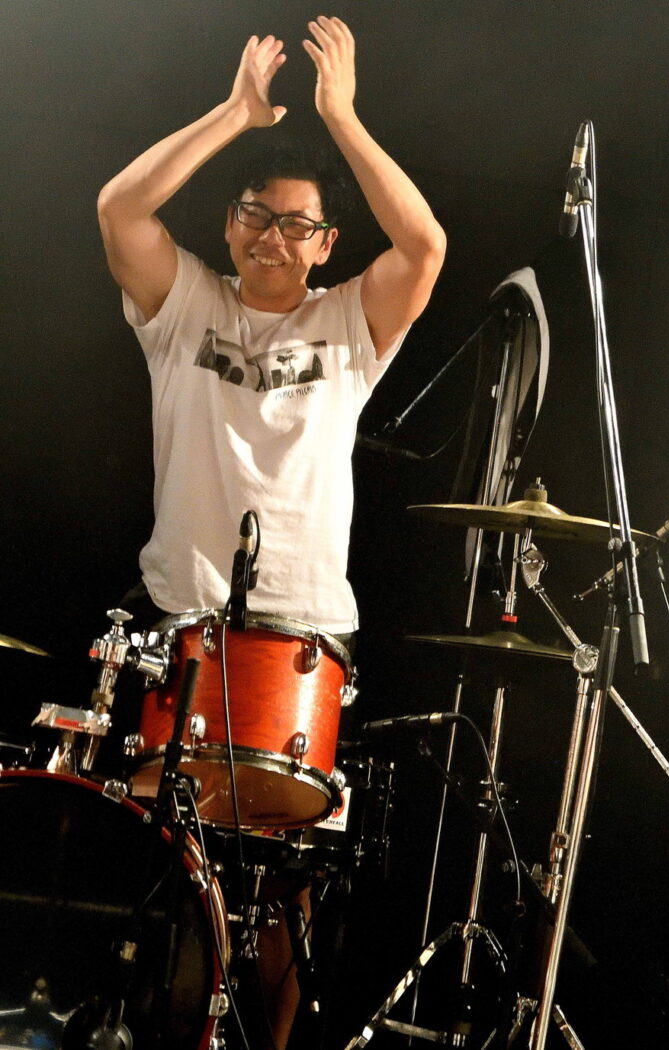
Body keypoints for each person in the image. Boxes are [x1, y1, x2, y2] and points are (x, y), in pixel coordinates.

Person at [97, 15, 445, 1049]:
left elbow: (425, 246)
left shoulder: (350, 324)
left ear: (326, 244)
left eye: (298, 226)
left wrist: (341, 117)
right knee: (177, 869)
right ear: (230, 223)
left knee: (288, 885)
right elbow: (120, 208)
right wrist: (234, 115)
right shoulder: (182, 307)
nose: (272, 238)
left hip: (301, 635)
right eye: (256, 216)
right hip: (186, 626)